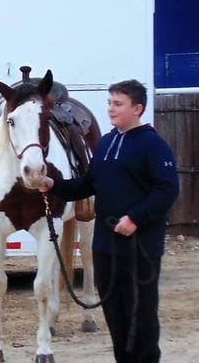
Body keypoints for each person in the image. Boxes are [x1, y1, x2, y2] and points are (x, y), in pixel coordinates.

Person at [39, 79, 179, 363]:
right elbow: (89, 184)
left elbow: (167, 189)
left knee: (141, 318)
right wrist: (53, 185)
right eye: (109, 103)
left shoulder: (154, 145)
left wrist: (135, 218)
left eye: (118, 104)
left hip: (140, 249)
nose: (111, 109)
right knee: (116, 317)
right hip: (105, 247)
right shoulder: (106, 142)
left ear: (137, 108)